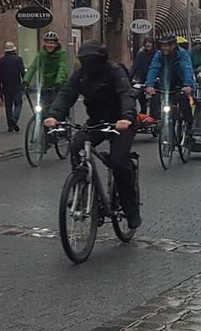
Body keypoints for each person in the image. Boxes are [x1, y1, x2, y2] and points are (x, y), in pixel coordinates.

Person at [43, 41, 141, 230]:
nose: (87, 65)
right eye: (84, 61)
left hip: (120, 123)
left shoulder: (114, 71)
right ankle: (82, 193)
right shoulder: (81, 76)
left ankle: (131, 209)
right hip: (96, 122)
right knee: (76, 146)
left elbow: (126, 94)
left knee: (119, 162)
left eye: (91, 61)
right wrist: (53, 115)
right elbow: (66, 94)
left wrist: (127, 117)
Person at [146, 35, 196, 143]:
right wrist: (149, 85)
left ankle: (189, 124)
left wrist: (187, 85)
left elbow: (187, 68)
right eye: (163, 45)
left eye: (167, 45)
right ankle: (171, 132)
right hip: (167, 85)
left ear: (173, 45)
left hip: (183, 84)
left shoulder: (182, 54)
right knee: (168, 108)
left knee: (184, 102)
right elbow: (154, 68)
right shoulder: (159, 55)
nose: (164, 48)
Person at [23, 32, 70, 116]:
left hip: (59, 86)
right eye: (47, 43)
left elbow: (62, 68)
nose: (49, 45)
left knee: (58, 110)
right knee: (42, 111)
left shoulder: (62, 54)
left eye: (52, 43)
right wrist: (26, 80)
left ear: (56, 44)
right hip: (46, 86)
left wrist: (59, 82)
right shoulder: (42, 54)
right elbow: (33, 67)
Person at [0, 42, 24, 132]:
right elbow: (22, 72)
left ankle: (10, 126)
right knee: (18, 104)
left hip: (5, 87)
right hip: (16, 86)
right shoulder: (18, 59)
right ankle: (14, 119)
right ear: (14, 49)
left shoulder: (1, 61)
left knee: (8, 106)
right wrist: (25, 83)